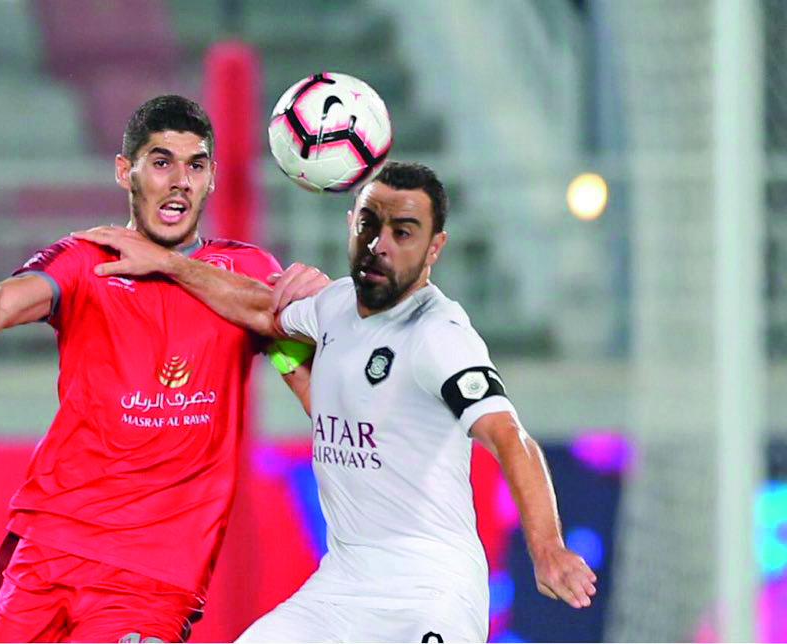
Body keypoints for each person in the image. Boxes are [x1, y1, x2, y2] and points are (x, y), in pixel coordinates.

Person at [74, 161, 597, 642]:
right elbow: (258, 307)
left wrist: (547, 548)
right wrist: (166, 263)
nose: (380, 243)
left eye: (403, 232)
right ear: (350, 222)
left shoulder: (440, 335)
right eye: (369, 223)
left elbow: (510, 436)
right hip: (343, 585)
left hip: (430, 591)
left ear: (435, 247)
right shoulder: (334, 306)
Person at [0, 95, 317, 643]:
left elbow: (312, 389)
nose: (179, 180)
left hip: (154, 577)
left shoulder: (245, 274)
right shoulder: (87, 259)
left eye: (195, 165)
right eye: (161, 162)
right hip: (50, 545)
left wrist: (326, 312)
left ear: (212, 178)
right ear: (123, 171)